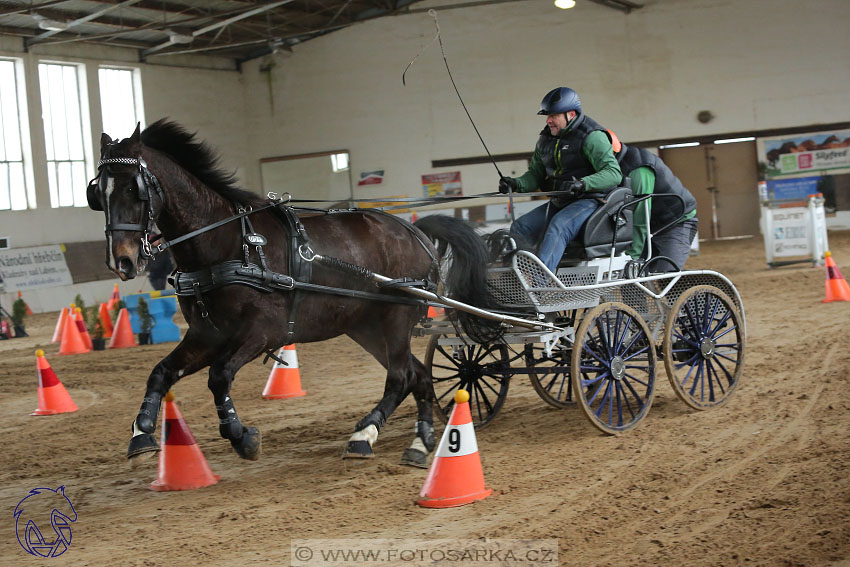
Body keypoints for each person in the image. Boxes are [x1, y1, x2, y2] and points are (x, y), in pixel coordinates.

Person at [499, 87, 622, 272]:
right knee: (520, 227)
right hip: (561, 201)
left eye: (553, 115)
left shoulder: (592, 136)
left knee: (558, 226)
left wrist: (583, 184)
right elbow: (535, 174)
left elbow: (613, 173)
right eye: (547, 115)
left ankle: (539, 284)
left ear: (571, 114)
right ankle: (514, 280)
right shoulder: (545, 140)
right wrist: (516, 183)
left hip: (590, 201)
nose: (548, 120)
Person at [614, 140, 698, 271]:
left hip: (676, 221)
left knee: (666, 275)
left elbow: (641, 217)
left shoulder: (638, 170)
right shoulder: (610, 171)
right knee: (633, 281)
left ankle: (698, 289)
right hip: (651, 225)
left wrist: (633, 257)